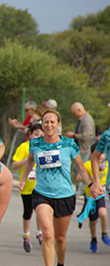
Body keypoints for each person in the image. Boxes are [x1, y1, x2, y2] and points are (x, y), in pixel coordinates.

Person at [18, 109, 103, 266]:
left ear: (58, 125)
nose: (49, 125)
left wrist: (91, 184)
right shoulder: (35, 143)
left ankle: (61, 263)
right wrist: (23, 179)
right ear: (41, 124)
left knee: (60, 238)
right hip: (42, 194)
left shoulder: (68, 144)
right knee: (48, 234)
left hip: (65, 195)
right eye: (46, 122)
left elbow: (81, 168)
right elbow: (30, 160)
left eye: (52, 122)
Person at [12, 124, 44, 253]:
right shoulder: (24, 147)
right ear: (30, 134)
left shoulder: (45, 147)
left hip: (41, 186)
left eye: (41, 135)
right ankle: (26, 236)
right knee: (28, 211)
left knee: (42, 211)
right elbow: (14, 165)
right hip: (26, 186)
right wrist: (28, 160)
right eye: (36, 134)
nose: (39, 137)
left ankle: (40, 232)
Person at [76, 143, 110, 252]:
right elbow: (78, 177)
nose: (100, 155)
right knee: (93, 220)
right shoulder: (88, 164)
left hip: (102, 194)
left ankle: (104, 233)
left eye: (102, 153)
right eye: (98, 153)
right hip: (91, 196)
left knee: (103, 213)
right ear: (92, 154)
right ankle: (93, 238)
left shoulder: (107, 165)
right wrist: (91, 179)